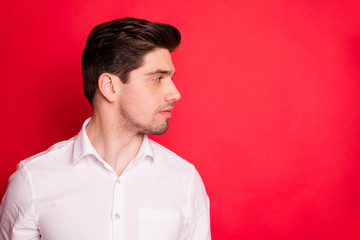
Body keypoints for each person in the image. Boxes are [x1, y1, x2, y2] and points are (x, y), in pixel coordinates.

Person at [0, 17, 210, 240]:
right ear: (110, 87)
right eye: (157, 78)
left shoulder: (185, 181)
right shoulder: (32, 180)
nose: (175, 94)